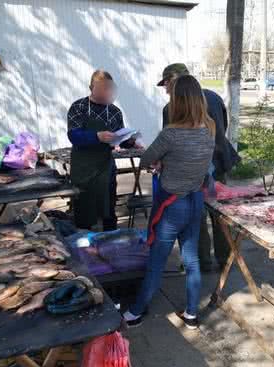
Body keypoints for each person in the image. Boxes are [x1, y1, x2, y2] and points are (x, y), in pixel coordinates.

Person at [123, 75, 216, 329]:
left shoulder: (170, 133)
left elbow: (145, 159)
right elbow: (194, 160)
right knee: (192, 259)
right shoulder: (209, 128)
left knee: (156, 261)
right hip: (196, 200)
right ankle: (192, 313)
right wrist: (168, 161)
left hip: (172, 206)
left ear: (178, 102)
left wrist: (159, 161)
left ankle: (135, 312)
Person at [158, 63, 241, 272]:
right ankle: (225, 261)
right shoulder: (213, 96)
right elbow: (223, 126)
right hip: (218, 162)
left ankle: (202, 262)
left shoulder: (172, 107)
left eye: (165, 85)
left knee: (196, 215)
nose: (166, 90)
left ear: (172, 81)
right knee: (220, 214)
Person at [66, 70, 136, 231]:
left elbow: (120, 138)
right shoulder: (79, 107)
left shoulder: (114, 112)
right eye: (103, 88)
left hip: (106, 167)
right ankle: (84, 243)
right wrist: (97, 136)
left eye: (109, 89)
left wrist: (131, 141)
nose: (107, 92)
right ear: (92, 87)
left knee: (108, 208)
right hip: (83, 168)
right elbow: (73, 136)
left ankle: (110, 242)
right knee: (84, 208)